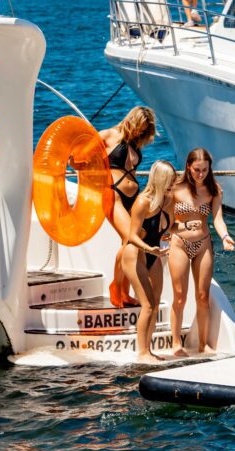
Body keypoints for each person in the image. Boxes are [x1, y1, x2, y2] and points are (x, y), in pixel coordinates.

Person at [169, 147, 235, 357]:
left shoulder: (214, 190)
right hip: (179, 243)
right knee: (179, 297)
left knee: (203, 296)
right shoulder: (175, 189)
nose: (201, 174)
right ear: (188, 166)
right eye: (197, 170)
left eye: (205, 170)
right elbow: (168, 223)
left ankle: (203, 345)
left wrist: (225, 237)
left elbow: (217, 219)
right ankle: (176, 343)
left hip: (204, 244)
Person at [100, 106, 156, 309]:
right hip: (113, 195)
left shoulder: (134, 143)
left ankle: (124, 291)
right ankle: (116, 287)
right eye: (140, 127)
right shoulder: (109, 135)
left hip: (132, 198)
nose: (140, 132)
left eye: (144, 130)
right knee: (129, 240)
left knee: (137, 237)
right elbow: (79, 154)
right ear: (132, 120)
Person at [122, 160, 176, 363]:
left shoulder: (168, 201)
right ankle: (142, 352)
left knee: (155, 304)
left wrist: (187, 227)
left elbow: (169, 228)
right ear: (160, 179)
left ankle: (149, 349)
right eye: (170, 180)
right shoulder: (143, 201)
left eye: (174, 179)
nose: (173, 183)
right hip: (136, 253)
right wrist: (148, 248)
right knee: (148, 304)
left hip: (155, 253)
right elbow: (132, 235)